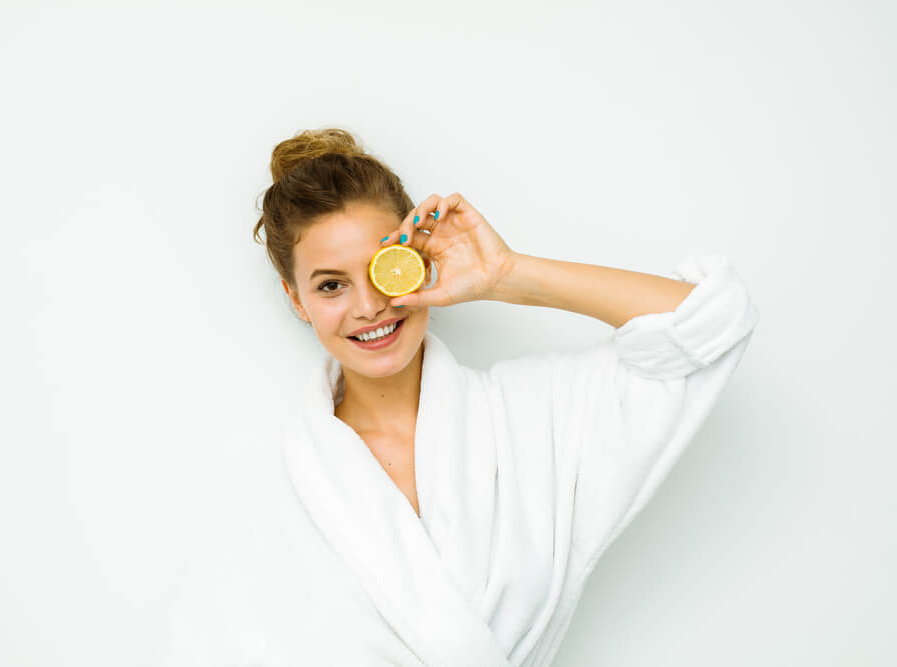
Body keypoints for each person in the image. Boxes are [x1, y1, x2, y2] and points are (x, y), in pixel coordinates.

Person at [159, 127, 760, 666]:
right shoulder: (276, 500)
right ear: (297, 301)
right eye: (331, 285)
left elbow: (712, 322)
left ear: (416, 263)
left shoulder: (532, 422)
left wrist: (507, 275)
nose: (367, 307)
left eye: (381, 270)